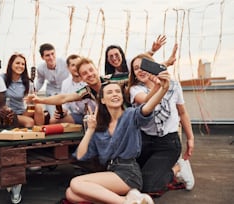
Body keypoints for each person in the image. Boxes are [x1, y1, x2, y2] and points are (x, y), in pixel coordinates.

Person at [64, 70, 171, 203]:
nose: (114, 94)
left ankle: (125, 203)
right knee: (71, 194)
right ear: (102, 100)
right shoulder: (101, 126)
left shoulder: (131, 115)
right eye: (109, 92)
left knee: (76, 183)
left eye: (117, 92)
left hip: (128, 172)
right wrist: (91, 130)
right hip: (112, 171)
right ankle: (130, 199)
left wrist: (163, 89)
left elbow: (147, 107)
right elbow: (80, 154)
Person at [127, 51, 195, 197]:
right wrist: (159, 87)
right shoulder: (135, 89)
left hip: (168, 143)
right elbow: (146, 100)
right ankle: (164, 169)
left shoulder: (174, 85)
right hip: (144, 142)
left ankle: (178, 168)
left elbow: (182, 112)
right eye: (136, 68)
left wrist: (190, 138)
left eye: (143, 66)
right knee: (133, 181)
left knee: (148, 185)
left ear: (152, 66)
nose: (140, 70)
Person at [4, 53, 45, 128]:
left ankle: (40, 132)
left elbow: (32, 101)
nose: (20, 66)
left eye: (23, 64)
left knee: (38, 106)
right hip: (9, 114)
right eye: (17, 63)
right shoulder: (2, 78)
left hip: (23, 112)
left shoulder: (27, 82)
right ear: (10, 64)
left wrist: (31, 100)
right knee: (30, 122)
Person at [49, 54, 88, 124]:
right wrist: (63, 111)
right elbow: (65, 104)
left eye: (78, 64)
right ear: (68, 67)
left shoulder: (88, 80)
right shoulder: (65, 83)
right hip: (77, 115)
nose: (76, 67)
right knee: (53, 120)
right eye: (73, 65)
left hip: (93, 115)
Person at [35, 43, 70, 116]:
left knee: (65, 114)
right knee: (53, 115)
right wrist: (34, 90)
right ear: (42, 57)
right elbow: (40, 81)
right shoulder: (40, 68)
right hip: (51, 92)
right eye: (47, 55)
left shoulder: (65, 62)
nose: (51, 57)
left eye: (52, 54)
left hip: (65, 91)